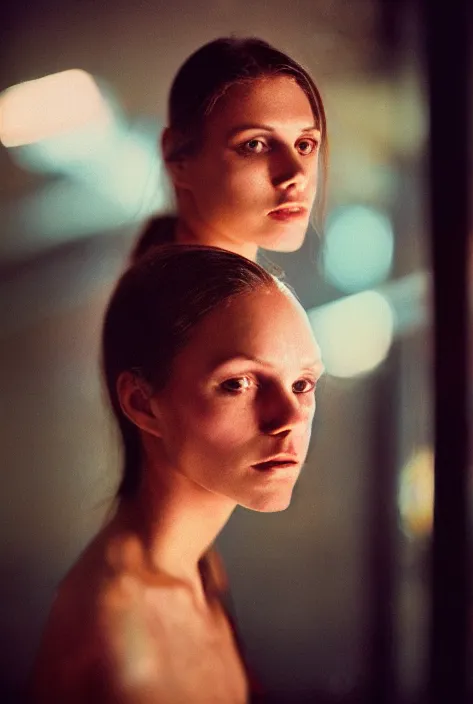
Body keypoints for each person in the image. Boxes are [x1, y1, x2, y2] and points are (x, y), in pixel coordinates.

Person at [30, 245, 324, 703]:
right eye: (238, 383)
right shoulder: (119, 644)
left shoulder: (199, 569)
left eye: (303, 384)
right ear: (142, 403)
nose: (289, 416)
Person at [131, 36, 328, 263]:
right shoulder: (244, 298)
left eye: (304, 145)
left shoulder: (156, 282)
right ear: (178, 158)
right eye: (254, 145)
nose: (297, 176)